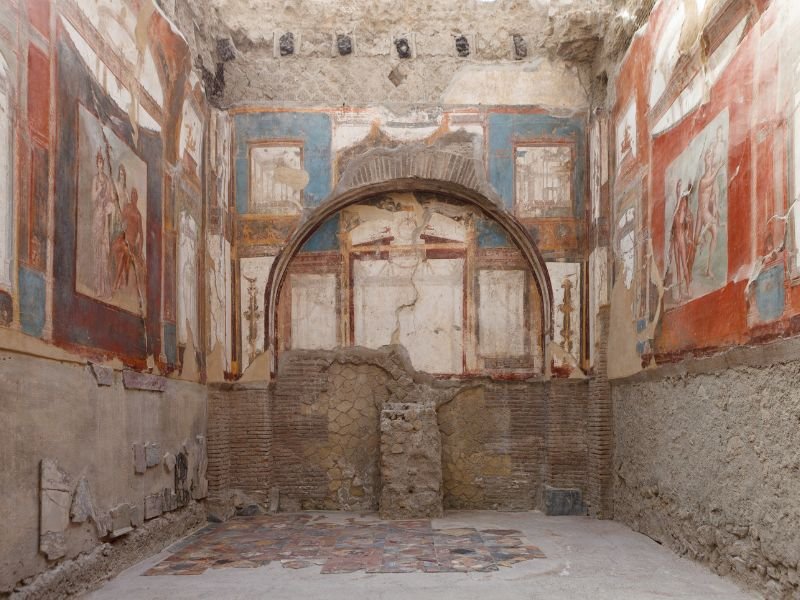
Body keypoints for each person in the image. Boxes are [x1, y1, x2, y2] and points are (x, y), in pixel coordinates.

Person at [694, 144, 725, 277]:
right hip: (702, 212)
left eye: (712, 156)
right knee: (698, 239)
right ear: (705, 160)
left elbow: (715, 196)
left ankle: (708, 268)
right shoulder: (703, 180)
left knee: (715, 234)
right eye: (708, 156)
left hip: (706, 212)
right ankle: (700, 236)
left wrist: (717, 210)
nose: (711, 158)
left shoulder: (712, 179)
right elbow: (710, 181)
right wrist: (718, 167)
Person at [112, 184, 144, 292]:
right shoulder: (126, 207)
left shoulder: (138, 215)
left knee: (124, 254)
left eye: (135, 195)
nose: (133, 196)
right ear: (130, 196)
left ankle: (117, 283)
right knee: (115, 247)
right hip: (123, 238)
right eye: (132, 194)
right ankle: (122, 278)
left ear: (137, 198)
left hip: (131, 243)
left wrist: (139, 253)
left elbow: (142, 236)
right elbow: (121, 221)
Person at [91, 150, 114, 298]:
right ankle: (98, 287)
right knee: (97, 253)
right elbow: (93, 198)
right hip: (97, 217)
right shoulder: (95, 179)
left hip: (105, 217)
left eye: (101, 162)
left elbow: (111, 198)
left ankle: (106, 288)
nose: (100, 164)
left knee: (105, 252)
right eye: (98, 162)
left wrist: (110, 207)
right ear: (96, 164)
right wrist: (99, 189)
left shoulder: (107, 179)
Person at [668, 178, 694, 299]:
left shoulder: (683, 202)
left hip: (682, 238)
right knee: (678, 268)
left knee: (684, 265)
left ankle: (688, 289)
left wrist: (688, 234)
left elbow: (687, 220)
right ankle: (679, 293)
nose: (678, 188)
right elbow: (673, 228)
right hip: (675, 240)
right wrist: (670, 247)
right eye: (677, 186)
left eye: (680, 186)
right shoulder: (675, 208)